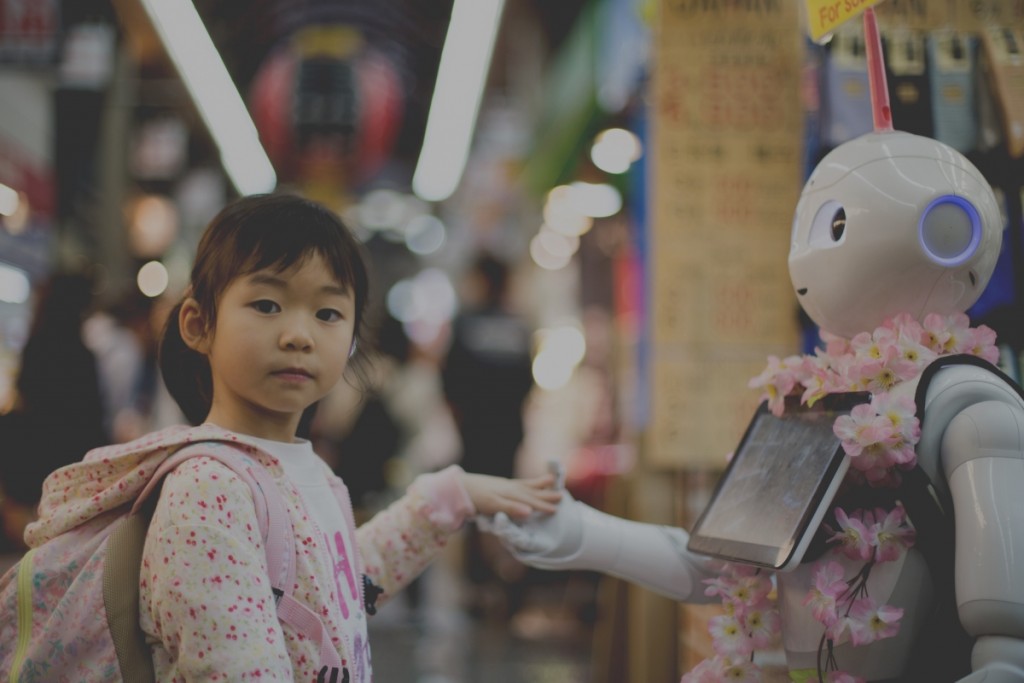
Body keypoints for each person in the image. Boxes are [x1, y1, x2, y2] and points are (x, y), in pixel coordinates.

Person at [487, 14, 1024, 681]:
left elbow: (1007, 630)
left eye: (829, 223)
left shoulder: (971, 408)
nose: (805, 252)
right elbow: (729, 561)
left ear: (950, 230)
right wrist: (584, 535)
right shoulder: (815, 395)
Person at [20, 193, 561, 682]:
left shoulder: (304, 470)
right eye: (267, 305)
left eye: (328, 312)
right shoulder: (209, 490)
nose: (298, 335)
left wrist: (451, 497)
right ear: (197, 324)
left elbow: (332, 593)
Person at [441, 251, 536, 616]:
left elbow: (449, 383)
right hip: (509, 432)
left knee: (475, 506)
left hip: (475, 433)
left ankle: (478, 585)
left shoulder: (466, 323)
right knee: (508, 505)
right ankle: (508, 579)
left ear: (482, 280)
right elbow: (527, 384)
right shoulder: (518, 326)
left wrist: (461, 419)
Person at [0, 271, 108, 550]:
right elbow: (93, 423)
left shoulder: (36, 346)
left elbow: (23, 401)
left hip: (30, 466)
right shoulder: (84, 357)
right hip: (69, 474)